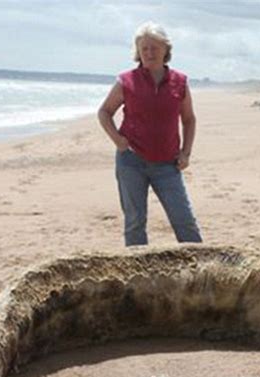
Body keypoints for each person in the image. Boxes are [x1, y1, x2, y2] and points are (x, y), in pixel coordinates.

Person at [98, 22, 203, 246]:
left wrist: (186, 153)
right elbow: (104, 112)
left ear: (166, 50)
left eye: (154, 47)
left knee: (184, 221)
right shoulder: (126, 81)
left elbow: (189, 119)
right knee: (135, 223)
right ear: (138, 52)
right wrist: (118, 140)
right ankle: (138, 278)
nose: (149, 53)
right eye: (144, 48)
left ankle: (203, 273)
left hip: (168, 164)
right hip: (131, 162)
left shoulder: (179, 82)